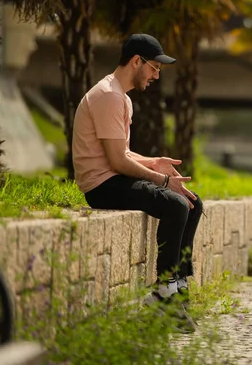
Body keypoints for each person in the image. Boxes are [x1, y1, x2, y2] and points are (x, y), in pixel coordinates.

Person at [72, 33, 203, 306]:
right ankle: (164, 288)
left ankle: (178, 281)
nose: (156, 76)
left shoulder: (121, 97)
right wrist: (163, 180)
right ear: (136, 61)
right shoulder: (108, 96)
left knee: (192, 203)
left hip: (114, 178)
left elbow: (122, 153)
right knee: (176, 205)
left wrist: (155, 162)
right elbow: (117, 162)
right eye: (154, 68)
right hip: (102, 187)